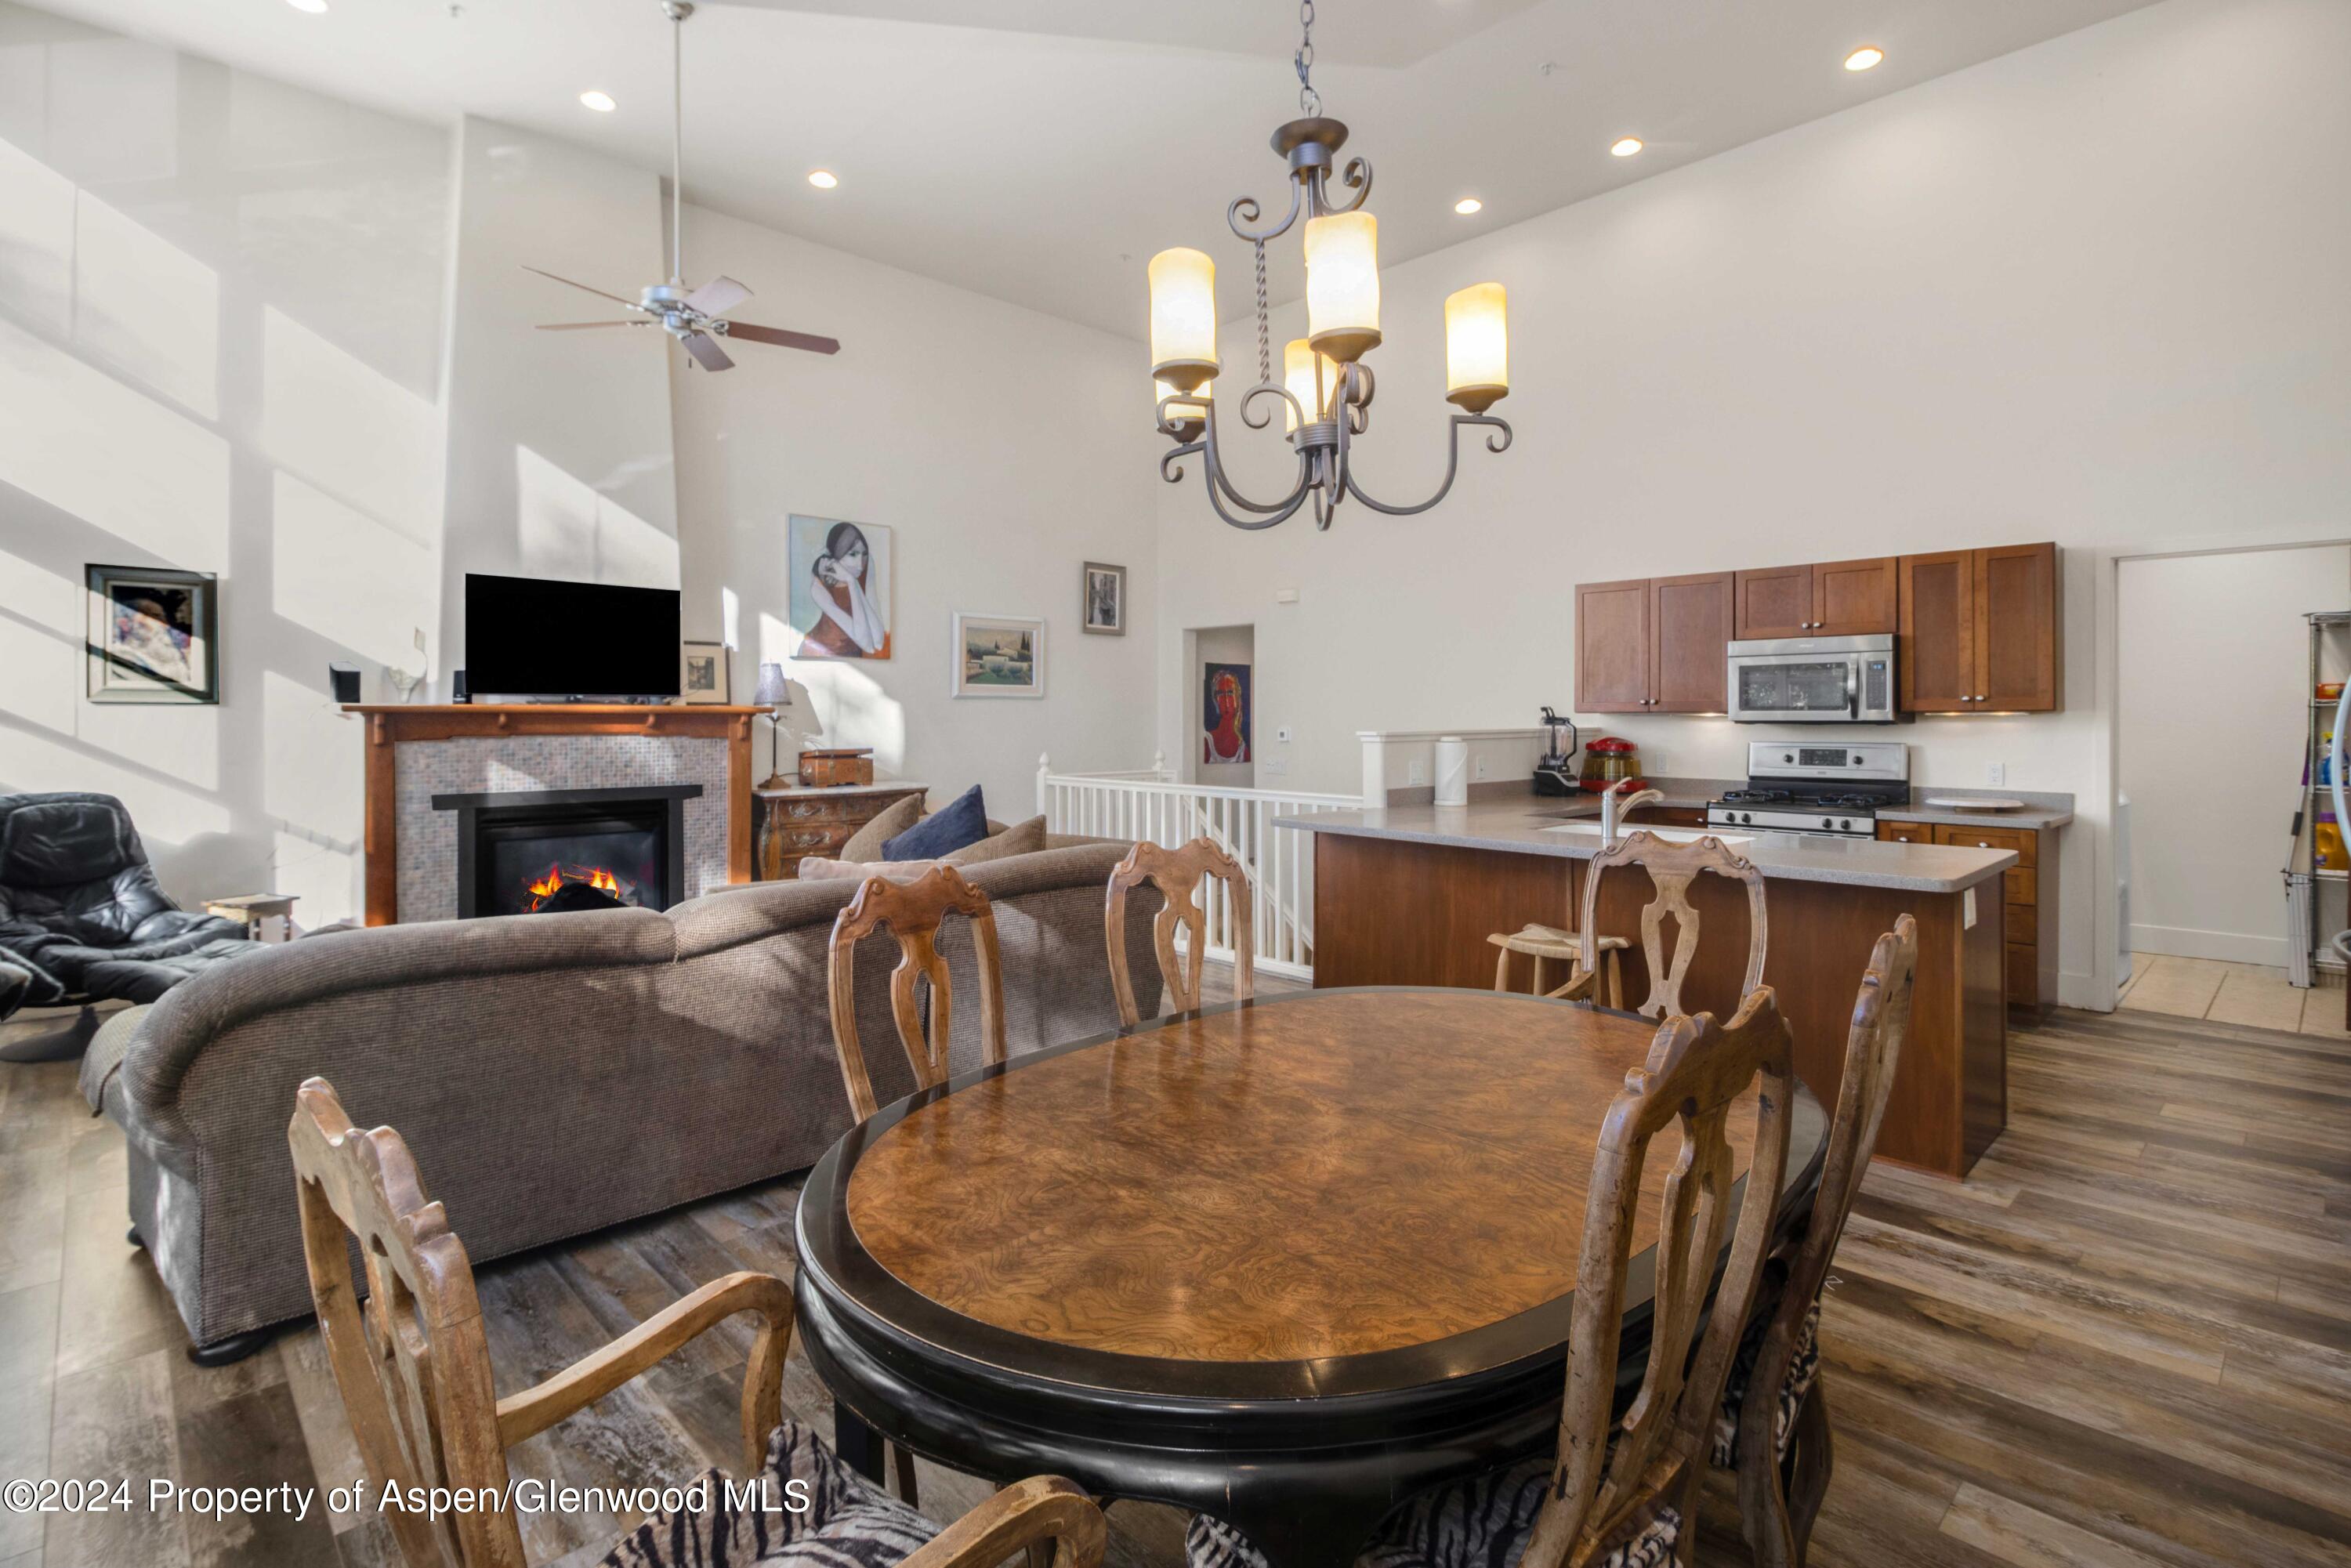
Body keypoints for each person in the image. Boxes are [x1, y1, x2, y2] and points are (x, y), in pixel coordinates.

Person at [799, 522, 889, 658]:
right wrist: (852, 582)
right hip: (820, 653)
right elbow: (866, 644)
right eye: (852, 554)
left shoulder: (865, 566)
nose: (860, 564)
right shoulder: (818, 587)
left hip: (854, 655)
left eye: (864, 554)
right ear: (834, 557)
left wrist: (853, 584)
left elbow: (878, 642)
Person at [1203, 667, 1249, 763]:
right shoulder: (1207, 741)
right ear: (1215, 699)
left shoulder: (1242, 748)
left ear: (1237, 697)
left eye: (1230, 693)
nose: (1227, 702)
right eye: (1220, 694)